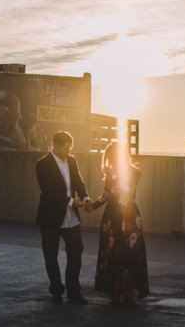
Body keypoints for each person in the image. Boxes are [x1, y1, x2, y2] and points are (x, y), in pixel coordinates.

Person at [35, 131, 92, 304]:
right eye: (65, 148)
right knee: (50, 255)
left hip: (71, 217)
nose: (68, 152)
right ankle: (56, 289)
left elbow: (78, 181)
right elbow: (48, 190)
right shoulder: (42, 164)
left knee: (76, 251)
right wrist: (70, 202)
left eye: (70, 148)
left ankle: (73, 290)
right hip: (50, 217)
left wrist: (85, 197)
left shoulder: (72, 161)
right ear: (56, 146)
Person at [89, 141, 150, 305]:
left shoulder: (133, 172)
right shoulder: (118, 173)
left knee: (124, 251)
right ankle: (120, 291)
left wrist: (113, 175)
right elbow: (106, 195)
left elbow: (121, 191)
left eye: (110, 157)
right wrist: (92, 206)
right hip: (120, 216)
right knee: (117, 252)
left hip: (125, 216)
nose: (109, 160)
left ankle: (124, 291)